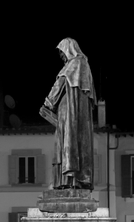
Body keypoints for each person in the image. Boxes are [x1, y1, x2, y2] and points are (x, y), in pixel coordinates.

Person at [41, 37, 96, 190]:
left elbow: (59, 84)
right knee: (69, 143)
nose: (61, 56)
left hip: (69, 109)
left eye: (62, 52)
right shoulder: (83, 65)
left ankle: (67, 180)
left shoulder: (75, 63)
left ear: (68, 49)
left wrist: (48, 102)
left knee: (67, 142)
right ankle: (69, 181)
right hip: (76, 111)